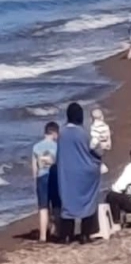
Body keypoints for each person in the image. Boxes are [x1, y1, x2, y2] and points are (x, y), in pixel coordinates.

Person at [49, 102, 101, 242]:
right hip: (86, 172)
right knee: (88, 201)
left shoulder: (62, 133)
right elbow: (97, 151)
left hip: (67, 173)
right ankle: (85, 235)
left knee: (68, 202)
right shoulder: (84, 133)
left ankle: (66, 235)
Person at [32, 121, 58, 243]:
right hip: (54, 177)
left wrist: (35, 180)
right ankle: (56, 231)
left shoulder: (36, 147)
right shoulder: (57, 146)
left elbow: (34, 167)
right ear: (54, 133)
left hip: (41, 177)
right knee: (56, 205)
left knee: (43, 207)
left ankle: (43, 236)